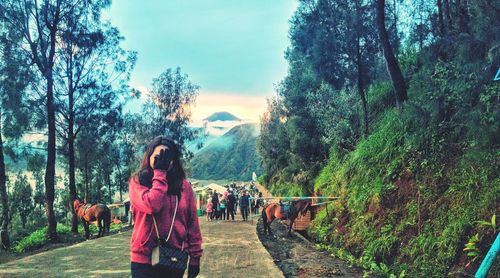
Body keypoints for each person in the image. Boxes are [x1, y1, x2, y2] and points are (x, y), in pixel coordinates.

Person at [129, 136, 202, 278]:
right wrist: (160, 173)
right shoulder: (138, 182)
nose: (162, 161)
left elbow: (192, 223)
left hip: (174, 257)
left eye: (166, 157)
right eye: (157, 157)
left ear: (173, 161)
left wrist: (195, 258)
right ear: (149, 157)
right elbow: (151, 205)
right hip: (144, 259)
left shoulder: (183, 186)